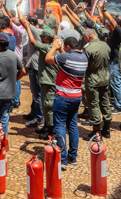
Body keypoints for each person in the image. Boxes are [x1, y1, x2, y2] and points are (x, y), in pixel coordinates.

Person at [46, 35, 88, 169]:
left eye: (64, 47)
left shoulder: (66, 57)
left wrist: (54, 47)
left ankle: (62, 160)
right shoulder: (83, 57)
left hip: (63, 96)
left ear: (68, 47)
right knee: (72, 125)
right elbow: (65, 59)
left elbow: (48, 58)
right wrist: (61, 48)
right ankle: (72, 156)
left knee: (59, 126)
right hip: (77, 96)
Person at [81, 25, 113, 138]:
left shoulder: (88, 48)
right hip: (105, 77)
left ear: (88, 36)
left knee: (93, 104)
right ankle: (107, 128)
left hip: (93, 78)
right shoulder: (105, 45)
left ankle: (96, 131)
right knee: (105, 102)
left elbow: (85, 65)